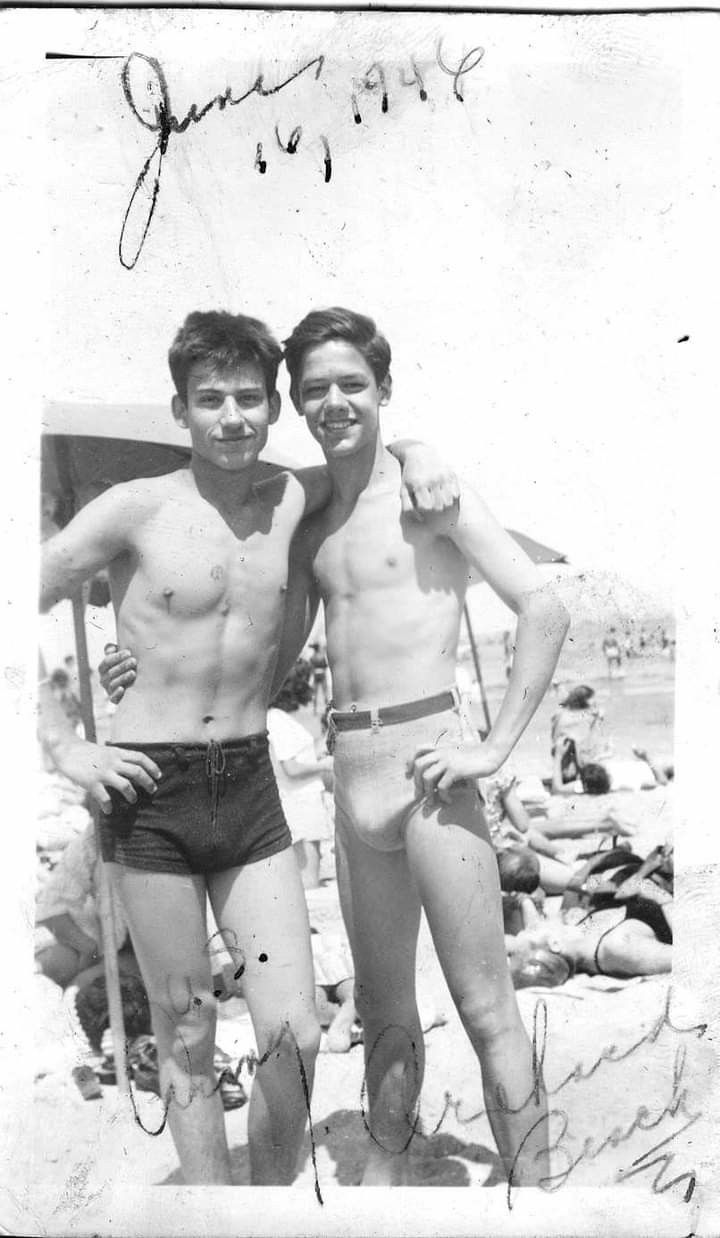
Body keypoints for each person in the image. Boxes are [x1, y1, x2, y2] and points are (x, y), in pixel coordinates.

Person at [40, 309, 454, 1187]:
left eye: (249, 399)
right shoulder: (135, 507)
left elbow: (368, 457)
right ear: (180, 410)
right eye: (210, 400)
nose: (232, 417)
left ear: (273, 406)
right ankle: (211, 1211)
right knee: (186, 1026)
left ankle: (263, 1199)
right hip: (149, 791)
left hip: (250, 784)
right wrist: (65, 746)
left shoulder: (293, 497)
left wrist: (418, 450)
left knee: (295, 1033)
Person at [278, 307, 570, 1186]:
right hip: (350, 776)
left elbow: (545, 606)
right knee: (383, 1011)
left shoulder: (430, 494)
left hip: (429, 771)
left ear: (385, 389)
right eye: (316, 388)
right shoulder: (309, 513)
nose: (335, 402)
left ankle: (537, 1198)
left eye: (353, 384)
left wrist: (495, 748)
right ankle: (388, 1181)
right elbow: (264, 647)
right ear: (296, 400)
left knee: (486, 1007)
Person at [507, 894, 672, 987]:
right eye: (533, 929)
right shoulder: (618, 948)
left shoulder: (580, 935)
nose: (534, 924)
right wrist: (661, 897)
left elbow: (534, 926)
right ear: (555, 944)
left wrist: (524, 900)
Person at [267, 660, 333, 889]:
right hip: (300, 803)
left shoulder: (279, 718)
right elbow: (291, 769)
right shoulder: (278, 720)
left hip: (302, 801)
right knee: (309, 877)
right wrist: (325, 765)